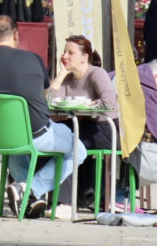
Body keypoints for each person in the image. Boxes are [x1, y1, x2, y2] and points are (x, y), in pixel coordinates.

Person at [0, 15, 85, 219]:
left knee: (17, 146)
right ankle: (30, 189)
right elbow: (43, 96)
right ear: (15, 34)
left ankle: (26, 199)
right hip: (35, 133)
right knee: (78, 150)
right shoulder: (32, 60)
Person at [53, 34, 118, 208]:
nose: (65, 56)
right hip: (78, 126)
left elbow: (109, 103)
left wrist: (86, 106)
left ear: (84, 57)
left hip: (104, 128)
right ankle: (46, 196)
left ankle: (64, 203)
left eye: (70, 53)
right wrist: (60, 75)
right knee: (52, 138)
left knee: (66, 142)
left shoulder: (96, 74)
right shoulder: (67, 79)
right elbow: (50, 101)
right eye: (64, 52)